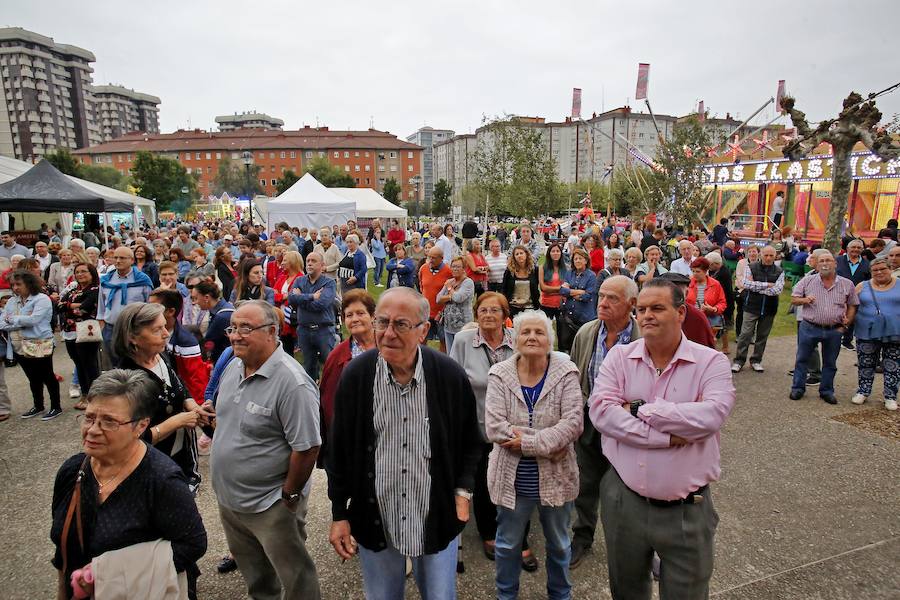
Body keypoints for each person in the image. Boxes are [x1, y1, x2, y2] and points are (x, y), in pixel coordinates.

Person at [326, 287, 481, 600]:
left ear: (423, 330)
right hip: (377, 517)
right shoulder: (357, 376)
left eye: (401, 324)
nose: (388, 334)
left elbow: (471, 443)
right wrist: (339, 513)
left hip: (434, 515)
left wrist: (462, 494)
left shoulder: (448, 375)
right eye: (382, 323)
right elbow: (338, 450)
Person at [590, 278, 735, 600]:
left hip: (686, 509)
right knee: (626, 591)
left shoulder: (711, 362)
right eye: (641, 309)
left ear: (681, 312)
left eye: (657, 308)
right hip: (623, 501)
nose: (646, 316)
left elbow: (711, 416)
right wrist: (668, 437)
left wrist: (639, 409)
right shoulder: (619, 358)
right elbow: (600, 413)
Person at [50, 369, 207, 600]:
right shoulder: (72, 471)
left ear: (141, 426)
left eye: (109, 422)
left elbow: (193, 544)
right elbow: (64, 552)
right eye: (90, 417)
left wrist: (108, 574)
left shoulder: (162, 480)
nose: (93, 430)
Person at [210, 300, 322, 599]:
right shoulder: (234, 366)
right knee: (256, 576)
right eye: (232, 328)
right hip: (231, 500)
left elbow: (308, 447)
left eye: (246, 328)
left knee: (296, 578)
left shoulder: (293, 383)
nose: (235, 335)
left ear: (273, 332)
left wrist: (289, 495)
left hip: (271, 504)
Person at [485, 310, 583, 600]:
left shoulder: (566, 372)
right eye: (526, 331)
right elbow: (495, 428)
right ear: (516, 338)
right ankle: (506, 595)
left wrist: (526, 443)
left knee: (559, 544)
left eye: (539, 332)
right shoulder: (499, 374)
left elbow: (573, 423)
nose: (532, 337)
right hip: (511, 481)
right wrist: (549, 440)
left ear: (549, 339)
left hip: (557, 478)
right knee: (507, 545)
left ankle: (560, 595)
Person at [449, 293, 537, 568]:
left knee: (519, 483)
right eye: (483, 310)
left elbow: (535, 374)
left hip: (516, 428)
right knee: (486, 484)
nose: (488, 315)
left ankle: (521, 539)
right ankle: (489, 534)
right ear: (476, 315)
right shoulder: (464, 341)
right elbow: (453, 381)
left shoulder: (518, 339)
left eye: (494, 310)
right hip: (478, 428)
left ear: (504, 314)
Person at [567, 274, 640, 568]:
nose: (603, 303)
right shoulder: (586, 332)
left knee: (630, 490)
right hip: (589, 424)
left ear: (632, 304)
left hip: (625, 428)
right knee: (585, 485)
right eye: (601, 296)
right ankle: (582, 537)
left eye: (613, 298)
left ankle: (638, 546)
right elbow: (575, 378)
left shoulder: (643, 339)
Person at [114, 302, 208, 490]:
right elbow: (131, 439)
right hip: (153, 469)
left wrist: (191, 404)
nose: (166, 333)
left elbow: (178, 385)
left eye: (165, 326)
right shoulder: (127, 380)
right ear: (133, 338)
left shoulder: (160, 356)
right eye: (157, 330)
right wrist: (177, 421)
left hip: (180, 458)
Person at [789, 250, 859, 404]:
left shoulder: (847, 284)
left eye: (828, 260)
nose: (825, 263)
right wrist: (806, 300)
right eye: (821, 261)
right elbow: (794, 299)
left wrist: (846, 323)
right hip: (810, 327)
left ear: (835, 263)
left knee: (830, 362)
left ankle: (826, 391)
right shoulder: (808, 281)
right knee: (802, 359)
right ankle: (798, 388)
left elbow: (853, 304)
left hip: (834, 329)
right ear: (817, 264)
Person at [318, 289, 376, 452]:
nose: (355, 319)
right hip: (351, 436)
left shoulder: (388, 348)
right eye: (349, 315)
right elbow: (327, 402)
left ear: (372, 316)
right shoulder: (336, 356)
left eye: (360, 313)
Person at [1, 270, 61, 420]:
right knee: (32, 377)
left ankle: (56, 406)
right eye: (13, 285)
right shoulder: (11, 301)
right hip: (18, 344)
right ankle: (38, 406)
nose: (15, 288)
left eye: (19, 284)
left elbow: (34, 320)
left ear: (29, 283)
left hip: (40, 342)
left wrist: (12, 319)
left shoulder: (41, 299)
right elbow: (2, 323)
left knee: (47, 375)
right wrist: (20, 320)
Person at [850, 257, 899, 411]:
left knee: (893, 365)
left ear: (890, 269)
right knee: (866, 363)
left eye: (883, 269)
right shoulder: (862, 286)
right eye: (875, 270)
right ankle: (863, 391)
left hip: (895, 332)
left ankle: (890, 396)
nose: (879, 272)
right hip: (866, 331)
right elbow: (852, 305)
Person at [149, 287, 210, 405]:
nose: (148, 311)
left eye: (154, 308)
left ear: (171, 311)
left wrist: (197, 408)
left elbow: (196, 380)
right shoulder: (146, 334)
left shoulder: (186, 342)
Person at [97, 247, 154, 365]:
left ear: (132, 260)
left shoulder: (142, 280)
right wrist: (102, 325)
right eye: (116, 257)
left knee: (135, 363)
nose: (118, 261)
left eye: (122, 258)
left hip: (134, 329)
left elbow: (150, 307)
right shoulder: (106, 280)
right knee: (115, 364)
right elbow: (101, 306)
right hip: (110, 329)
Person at [732, 246, 783, 373]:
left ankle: (756, 360)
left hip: (769, 308)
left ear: (775, 256)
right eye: (766, 255)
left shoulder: (779, 271)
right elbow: (746, 284)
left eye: (771, 255)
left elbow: (778, 290)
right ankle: (739, 360)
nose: (768, 258)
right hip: (751, 306)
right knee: (745, 334)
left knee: (762, 336)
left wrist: (756, 285)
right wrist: (767, 285)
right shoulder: (751, 267)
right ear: (761, 255)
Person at [58, 262, 101, 410]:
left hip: (86, 331)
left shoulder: (95, 289)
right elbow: (59, 305)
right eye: (77, 272)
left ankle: (95, 397)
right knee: (79, 364)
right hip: (70, 331)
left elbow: (85, 308)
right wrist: (73, 305)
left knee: (90, 364)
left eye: (84, 271)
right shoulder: (73, 289)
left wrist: (69, 305)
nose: (80, 274)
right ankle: (85, 393)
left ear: (92, 273)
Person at [289, 251, 337, 380]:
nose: (309, 264)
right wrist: (311, 296)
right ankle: (312, 393)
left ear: (322, 265)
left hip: (323, 330)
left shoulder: (329, 283)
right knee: (308, 366)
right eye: (308, 261)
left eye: (313, 261)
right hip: (304, 329)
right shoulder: (299, 280)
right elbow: (291, 299)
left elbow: (322, 304)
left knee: (329, 364)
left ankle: (330, 392)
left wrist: (300, 298)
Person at [557, 248, 598, 354]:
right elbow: (562, 290)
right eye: (575, 259)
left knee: (583, 348)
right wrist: (579, 292)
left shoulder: (591, 276)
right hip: (570, 316)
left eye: (580, 258)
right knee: (568, 346)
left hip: (584, 317)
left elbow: (587, 296)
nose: (578, 261)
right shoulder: (569, 273)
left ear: (586, 260)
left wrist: (570, 292)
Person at [836, 238, 871, 349]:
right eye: (853, 247)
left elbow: (870, 281)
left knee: (853, 317)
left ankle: (847, 340)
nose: (856, 249)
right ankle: (835, 337)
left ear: (863, 249)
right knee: (836, 315)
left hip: (857, 296)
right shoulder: (837, 260)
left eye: (859, 247)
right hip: (838, 293)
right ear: (847, 248)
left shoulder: (867, 264)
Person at [437, 256, 475, 353]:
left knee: (462, 354)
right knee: (451, 354)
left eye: (458, 267)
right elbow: (438, 299)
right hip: (448, 325)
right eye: (453, 266)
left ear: (464, 269)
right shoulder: (451, 281)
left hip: (463, 326)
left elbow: (458, 298)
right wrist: (450, 296)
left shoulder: (468, 283)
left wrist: (449, 289)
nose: (454, 269)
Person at [419, 246, 452, 353]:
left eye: (434, 258)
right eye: (429, 257)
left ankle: (441, 363)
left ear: (441, 258)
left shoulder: (448, 271)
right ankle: (422, 361)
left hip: (441, 313)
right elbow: (421, 286)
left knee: (444, 341)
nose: (431, 260)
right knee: (422, 339)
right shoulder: (423, 268)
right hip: (426, 312)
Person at [192, 281, 235, 364]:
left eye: (196, 298)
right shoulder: (222, 310)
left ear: (207, 297)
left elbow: (208, 343)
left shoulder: (222, 316)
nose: (195, 302)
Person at [685, 257, 727, 337]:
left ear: (705, 271)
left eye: (698, 271)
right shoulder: (688, 284)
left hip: (709, 322)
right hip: (691, 320)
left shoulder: (715, 284)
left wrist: (714, 309)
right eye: (693, 271)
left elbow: (722, 302)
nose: (694, 274)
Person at [273, 251, 305, 353]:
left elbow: (295, 298)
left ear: (293, 262)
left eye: (285, 260)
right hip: (280, 315)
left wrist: (286, 297)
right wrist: (283, 296)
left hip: (293, 318)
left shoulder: (301, 278)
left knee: (290, 345)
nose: (282, 263)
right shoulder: (282, 277)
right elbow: (272, 294)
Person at [707, 252, 735, 353]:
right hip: (718, 303)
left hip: (725, 304)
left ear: (716, 264)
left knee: (723, 327)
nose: (708, 267)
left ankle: (725, 347)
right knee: (716, 326)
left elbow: (723, 291)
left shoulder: (724, 273)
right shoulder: (715, 271)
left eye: (710, 265)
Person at [502, 245, 540, 317]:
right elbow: (503, 290)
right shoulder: (509, 272)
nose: (519, 256)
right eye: (517, 254)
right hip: (513, 308)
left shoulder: (534, 271)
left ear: (526, 254)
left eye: (521, 253)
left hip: (530, 308)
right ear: (514, 257)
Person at [538, 242, 566, 321]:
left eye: (557, 251)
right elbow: (543, 288)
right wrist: (561, 289)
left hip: (561, 304)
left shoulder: (566, 268)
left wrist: (551, 290)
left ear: (561, 253)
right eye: (553, 251)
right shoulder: (542, 268)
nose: (555, 253)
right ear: (549, 253)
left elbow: (568, 287)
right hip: (546, 304)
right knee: (547, 330)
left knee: (561, 331)